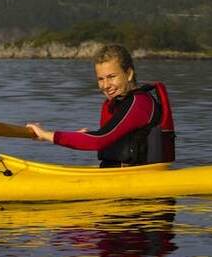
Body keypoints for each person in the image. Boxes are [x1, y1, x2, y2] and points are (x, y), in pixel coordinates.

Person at [26, 44, 174, 167]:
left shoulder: (138, 103)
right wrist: (68, 137)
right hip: (119, 175)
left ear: (128, 74)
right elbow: (106, 138)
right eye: (101, 79)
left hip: (138, 180)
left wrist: (46, 135)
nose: (105, 85)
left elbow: (100, 139)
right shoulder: (118, 103)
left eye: (111, 77)